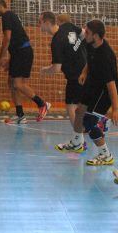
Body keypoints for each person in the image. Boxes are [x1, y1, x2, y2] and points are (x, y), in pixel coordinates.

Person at [0, 0, 50, 124]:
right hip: (19, 52)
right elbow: (16, 39)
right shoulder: (11, 15)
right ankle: (20, 115)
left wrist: (1, 57)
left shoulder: (6, 16)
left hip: (23, 52)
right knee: (11, 83)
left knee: (18, 84)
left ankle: (42, 104)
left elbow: (7, 38)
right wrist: (10, 60)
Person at [38, 12, 87, 152]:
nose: (38, 25)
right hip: (85, 69)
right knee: (80, 105)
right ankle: (82, 136)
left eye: (40, 22)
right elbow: (83, 34)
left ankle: (78, 140)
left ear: (47, 23)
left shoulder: (56, 41)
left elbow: (57, 68)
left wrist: (45, 70)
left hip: (76, 76)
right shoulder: (69, 27)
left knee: (71, 106)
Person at [79, 19, 118, 166]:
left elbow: (111, 85)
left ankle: (105, 155)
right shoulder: (90, 44)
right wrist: (84, 72)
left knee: (88, 122)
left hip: (105, 92)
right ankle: (99, 122)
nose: (85, 33)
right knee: (81, 113)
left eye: (88, 32)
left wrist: (115, 109)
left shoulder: (106, 56)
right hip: (95, 85)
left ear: (96, 36)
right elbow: (89, 61)